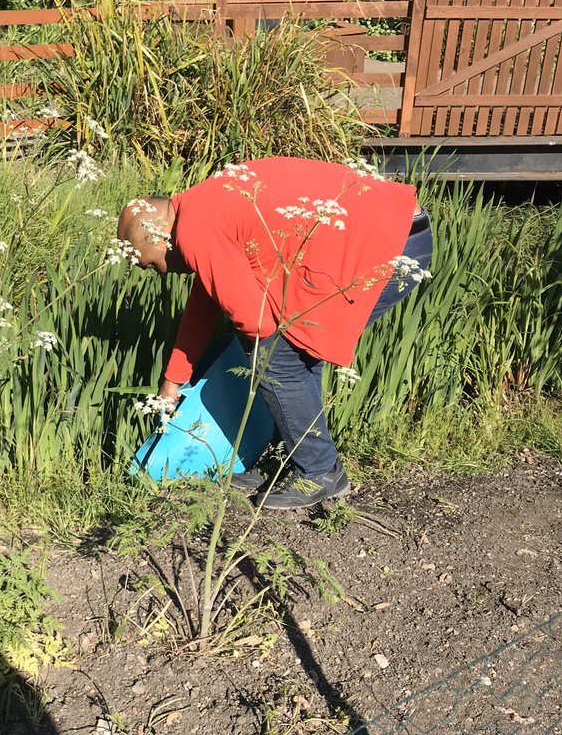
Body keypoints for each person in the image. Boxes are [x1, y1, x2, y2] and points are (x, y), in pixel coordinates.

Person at [116, 157, 433, 510]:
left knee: (275, 358)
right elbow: (206, 299)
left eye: (149, 263)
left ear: (160, 234)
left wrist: (250, 345)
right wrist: (174, 379)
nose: (159, 272)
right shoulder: (200, 205)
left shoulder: (195, 227)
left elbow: (258, 324)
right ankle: (290, 459)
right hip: (397, 230)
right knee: (291, 350)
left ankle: (319, 471)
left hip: (390, 246)